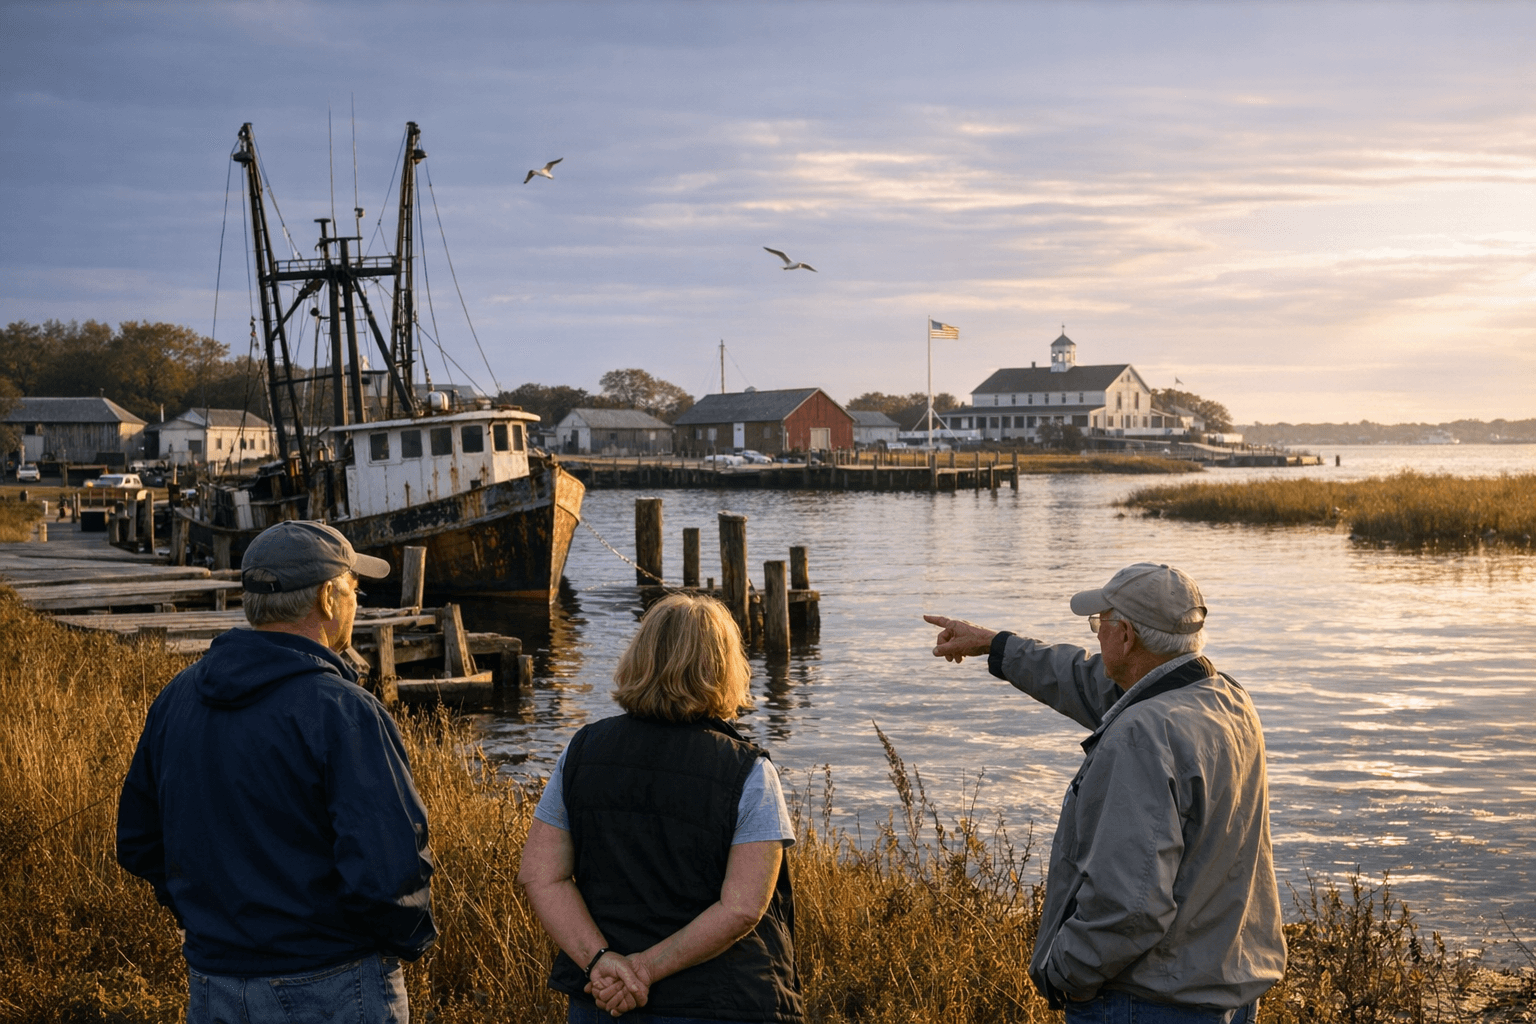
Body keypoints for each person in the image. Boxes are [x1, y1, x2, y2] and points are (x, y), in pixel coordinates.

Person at [925, 562, 1285, 1023]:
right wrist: (996, 646)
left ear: (1127, 636)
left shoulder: (1142, 735)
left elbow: (1130, 906)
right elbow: (1087, 680)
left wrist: (1063, 974)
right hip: (1225, 992)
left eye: (1101, 623)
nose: (1096, 634)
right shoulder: (1225, 699)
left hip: (1147, 1004)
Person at [117, 520, 437, 1024]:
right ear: (328, 600)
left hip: (213, 981)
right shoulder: (344, 711)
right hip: (333, 981)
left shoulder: (176, 697)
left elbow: (138, 841)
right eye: (355, 589)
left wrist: (206, 919)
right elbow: (389, 869)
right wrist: (406, 941)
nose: (358, 603)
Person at [519, 594, 803, 1023]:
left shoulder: (580, 752)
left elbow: (541, 875)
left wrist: (601, 963)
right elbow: (743, 907)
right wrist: (645, 969)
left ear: (640, 658)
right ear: (725, 668)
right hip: (720, 1004)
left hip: (602, 1002)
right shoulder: (749, 771)